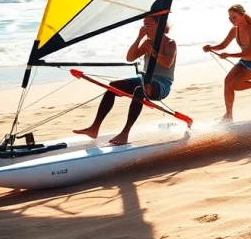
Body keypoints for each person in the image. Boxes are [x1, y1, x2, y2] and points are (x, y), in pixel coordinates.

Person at [74, 15, 176, 145]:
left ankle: (125, 133)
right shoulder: (147, 42)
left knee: (140, 90)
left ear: (159, 25)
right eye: (144, 25)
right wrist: (139, 38)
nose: (145, 28)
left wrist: (150, 49)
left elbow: (167, 63)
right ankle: (94, 128)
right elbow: (130, 57)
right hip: (145, 79)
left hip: (162, 83)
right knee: (113, 86)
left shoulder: (169, 43)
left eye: (148, 25)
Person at [203, 4, 251, 121]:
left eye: (234, 17)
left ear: (242, 16)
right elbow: (223, 45)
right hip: (244, 62)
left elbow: (250, 51)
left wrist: (229, 55)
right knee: (227, 81)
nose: (231, 20)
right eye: (230, 18)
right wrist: (210, 48)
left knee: (236, 85)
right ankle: (229, 115)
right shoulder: (234, 30)